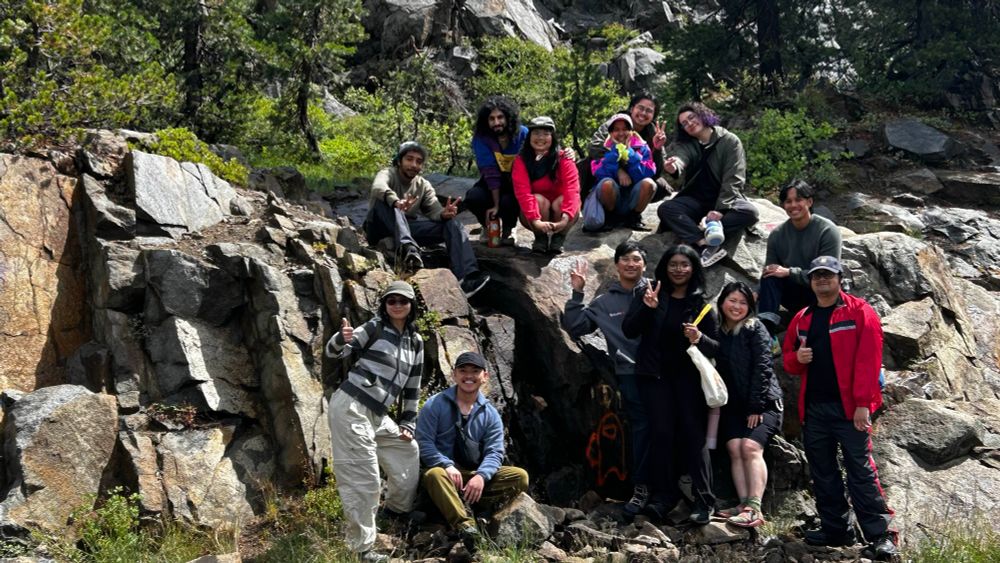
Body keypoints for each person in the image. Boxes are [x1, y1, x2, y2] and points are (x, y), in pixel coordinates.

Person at [782, 256, 897, 561]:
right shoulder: (803, 317)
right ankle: (836, 529)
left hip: (850, 409)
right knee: (823, 471)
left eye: (828, 275)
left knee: (861, 471)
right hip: (815, 409)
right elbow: (788, 359)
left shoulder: (860, 311)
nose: (822, 280)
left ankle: (881, 535)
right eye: (816, 275)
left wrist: (863, 404)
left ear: (839, 278)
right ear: (810, 280)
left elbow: (870, 360)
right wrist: (798, 359)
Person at [326, 281, 425, 563]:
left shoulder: (415, 342)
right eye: (391, 301)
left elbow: (412, 387)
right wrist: (341, 339)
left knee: (407, 450)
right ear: (384, 305)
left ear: (411, 305)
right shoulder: (374, 327)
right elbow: (335, 353)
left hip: (378, 415)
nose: (397, 305)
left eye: (402, 301)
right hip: (351, 407)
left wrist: (408, 421)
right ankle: (362, 551)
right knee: (364, 479)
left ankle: (394, 512)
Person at [622, 244, 717, 524]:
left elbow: (716, 348)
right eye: (673, 264)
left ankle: (704, 499)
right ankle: (663, 497)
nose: (679, 269)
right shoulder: (650, 293)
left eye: (685, 265)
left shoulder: (701, 303)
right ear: (665, 266)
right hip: (654, 377)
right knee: (661, 434)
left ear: (694, 269)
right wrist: (647, 309)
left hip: (688, 379)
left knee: (692, 434)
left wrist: (700, 338)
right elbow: (629, 330)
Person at [562, 241, 651, 518]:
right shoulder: (604, 302)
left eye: (636, 259)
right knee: (641, 430)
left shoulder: (656, 290)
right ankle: (643, 488)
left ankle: (676, 485)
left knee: (671, 426)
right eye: (625, 259)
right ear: (616, 266)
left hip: (663, 372)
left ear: (644, 265)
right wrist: (577, 293)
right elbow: (576, 326)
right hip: (630, 374)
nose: (630, 264)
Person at [417, 351, 530, 548]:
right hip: (445, 476)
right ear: (454, 375)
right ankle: (465, 526)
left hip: (474, 476)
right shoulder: (434, 404)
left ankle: (480, 507)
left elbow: (495, 452)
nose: (468, 376)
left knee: (520, 476)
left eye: (475, 371)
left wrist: (481, 476)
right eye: (463, 371)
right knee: (433, 475)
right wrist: (446, 465)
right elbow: (424, 442)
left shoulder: (490, 414)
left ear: (484, 376)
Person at [365, 141, 491, 297]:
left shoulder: (423, 185)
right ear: (399, 160)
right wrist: (396, 201)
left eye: (418, 161)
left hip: (407, 228)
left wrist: (444, 214)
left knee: (452, 224)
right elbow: (378, 187)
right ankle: (408, 249)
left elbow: (434, 209)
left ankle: (467, 277)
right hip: (379, 226)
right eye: (409, 159)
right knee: (387, 203)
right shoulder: (388, 173)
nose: (414, 164)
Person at [712, 282, 783, 528]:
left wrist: (756, 406)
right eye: (732, 300)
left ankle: (755, 507)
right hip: (733, 405)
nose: (737, 306)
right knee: (734, 447)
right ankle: (743, 504)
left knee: (750, 447)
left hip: (764, 402)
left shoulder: (755, 328)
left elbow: (763, 368)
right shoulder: (717, 332)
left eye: (743, 303)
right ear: (722, 302)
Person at [657, 102, 759, 268]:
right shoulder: (688, 144)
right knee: (666, 209)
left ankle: (705, 228)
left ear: (702, 115)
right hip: (696, 200)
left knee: (750, 212)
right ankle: (704, 242)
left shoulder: (729, 141)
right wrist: (674, 165)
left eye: (691, 118)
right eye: (684, 123)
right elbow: (681, 157)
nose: (689, 124)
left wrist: (720, 209)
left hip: (722, 200)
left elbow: (734, 178)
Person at [759, 180, 842, 337]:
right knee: (769, 277)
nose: (793, 205)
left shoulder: (827, 230)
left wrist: (790, 272)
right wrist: (758, 292)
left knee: (824, 281)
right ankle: (766, 335)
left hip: (821, 290)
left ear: (809, 202)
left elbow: (828, 274)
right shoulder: (777, 235)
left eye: (798, 200)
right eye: (788, 201)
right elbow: (770, 269)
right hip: (794, 293)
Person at [587, 92, 672, 208]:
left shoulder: (653, 133)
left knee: (660, 185)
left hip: (637, 172)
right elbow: (594, 146)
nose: (643, 113)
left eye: (649, 111)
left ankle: (634, 214)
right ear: (632, 108)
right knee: (587, 167)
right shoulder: (615, 123)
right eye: (640, 108)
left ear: (653, 116)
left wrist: (657, 148)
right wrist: (619, 169)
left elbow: (657, 170)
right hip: (610, 171)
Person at [464, 96, 529, 245]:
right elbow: (490, 173)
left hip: (515, 183)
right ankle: (487, 226)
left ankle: (509, 227)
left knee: (510, 200)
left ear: (508, 117)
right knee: (474, 197)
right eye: (491, 119)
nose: (496, 122)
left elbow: (543, 149)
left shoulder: (523, 134)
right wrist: (495, 205)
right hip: (490, 183)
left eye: (500, 117)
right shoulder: (481, 138)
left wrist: (565, 153)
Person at [511, 116, 580, 254]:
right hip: (535, 214)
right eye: (536, 133)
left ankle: (559, 237)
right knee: (538, 199)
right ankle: (540, 238)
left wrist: (565, 220)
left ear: (552, 137)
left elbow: (572, 189)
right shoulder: (521, 161)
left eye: (546, 133)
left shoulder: (564, 158)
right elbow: (523, 193)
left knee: (562, 201)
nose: (540, 138)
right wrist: (536, 221)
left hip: (559, 213)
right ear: (529, 136)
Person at [588, 114, 657, 230]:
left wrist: (630, 154)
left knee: (649, 183)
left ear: (631, 131)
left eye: (625, 129)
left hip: (632, 196)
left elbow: (648, 172)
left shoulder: (642, 146)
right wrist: (615, 156)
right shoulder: (602, 147)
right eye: (616, 130)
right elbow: (598, 173)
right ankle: (610, 217)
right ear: (610, 133)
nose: (621, 133)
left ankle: (634, 218)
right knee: (606, 183)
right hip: (612, 197)